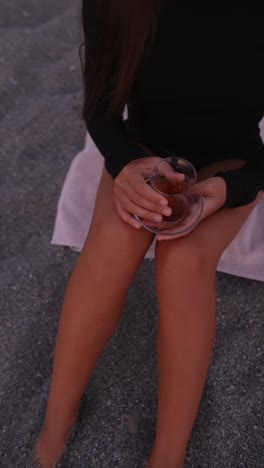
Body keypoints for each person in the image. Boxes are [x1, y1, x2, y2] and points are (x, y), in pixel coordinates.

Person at [35, 2, 264, 467]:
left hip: (232, 163)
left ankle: (168, 455)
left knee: (181, 265)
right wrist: (123, 165)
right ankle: (56, 420)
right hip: (143, 147)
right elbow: (101, 104)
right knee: (111, 249)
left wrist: (231, 189)